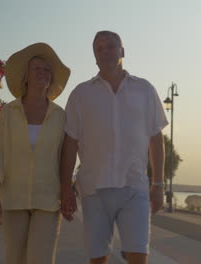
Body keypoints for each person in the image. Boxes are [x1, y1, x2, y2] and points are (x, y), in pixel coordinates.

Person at [60, 30, 168, 264]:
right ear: (95, 58)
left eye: (111, 46)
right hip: (94, 190)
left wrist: (158, 183)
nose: (106, 51)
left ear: (122, 51)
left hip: (134, 188)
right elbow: (70, 143)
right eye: (99, 49)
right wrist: (65, 188)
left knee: (139, 256)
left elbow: (156, 139)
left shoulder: (145, 90)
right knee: (98, 259)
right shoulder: (81, 94)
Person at [0, 43, 70, 264]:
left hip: (48, 199)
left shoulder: (60, 116)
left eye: (46, 69)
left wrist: (67, 192)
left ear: (51, 78)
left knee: (41, 259)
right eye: (37, 69)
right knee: (14, 258)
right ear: (26, 77)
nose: (42, 73)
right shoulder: (9, 111)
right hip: (13, 197)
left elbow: (64, 158)